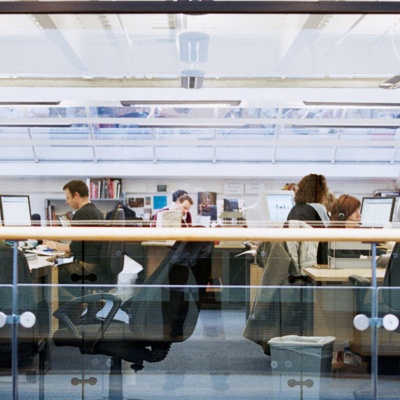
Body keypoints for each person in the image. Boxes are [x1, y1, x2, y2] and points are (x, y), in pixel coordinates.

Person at [43, 179, 104, 304]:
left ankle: (75, 305)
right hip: (97, 264)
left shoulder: (81, 214)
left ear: (76, 195)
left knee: (51, 275)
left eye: (68, 198)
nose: (67, 202)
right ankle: (85, 303)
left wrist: (54, 245)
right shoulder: (96, 212)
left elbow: (75, 248)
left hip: (86, 266)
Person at [286, 173, 330, 264]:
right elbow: (327, 243)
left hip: (295, 265)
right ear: (321, 193)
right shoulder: (319, 210)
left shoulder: (294, 209)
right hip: (316, 265)